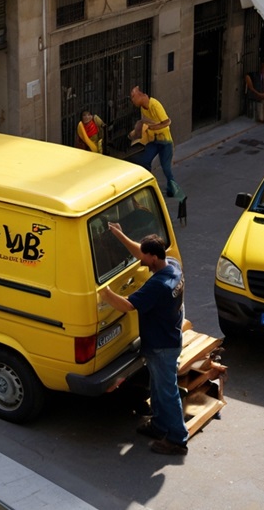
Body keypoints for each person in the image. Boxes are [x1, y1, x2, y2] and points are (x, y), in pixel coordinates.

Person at [98, 225, 189, 456]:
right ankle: (159, 425)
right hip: (168, 337)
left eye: (144, 257)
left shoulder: (158, 286)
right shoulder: (173, 266)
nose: (140, 260)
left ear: (154, 258)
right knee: (158, 388)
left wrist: (105, 292)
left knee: (168, 393)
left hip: (162, 346)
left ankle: (177, 439)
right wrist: (120, 235)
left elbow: (128, 305)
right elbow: (142, 251)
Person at [129, 86, 177, 193]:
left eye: (133, 97)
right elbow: (144, 122)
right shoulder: (143, 108)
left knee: (166, 168)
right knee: (144, 161)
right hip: (154, 141)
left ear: (140, 96)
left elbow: (167, 122)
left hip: (165, 142)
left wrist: (152, 127)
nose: (132, 100)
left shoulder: (155, 105)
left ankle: (172, 187)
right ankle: (149, 184)